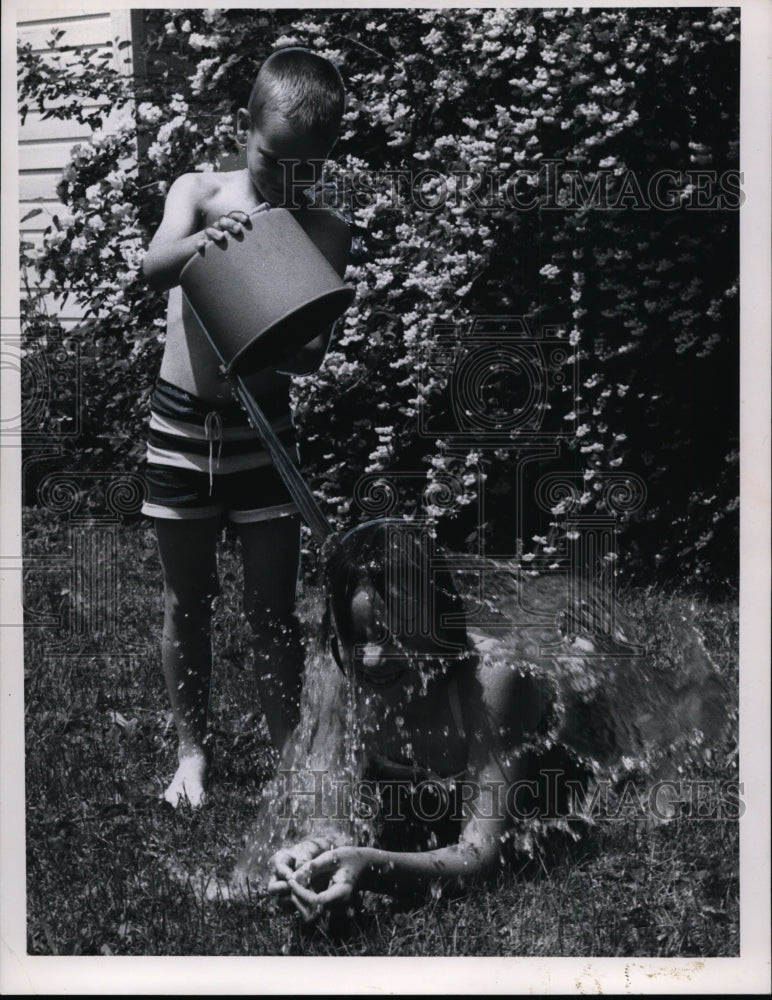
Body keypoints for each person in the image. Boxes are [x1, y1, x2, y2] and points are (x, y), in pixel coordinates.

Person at [245, 520, 728, 922]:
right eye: (357, 636)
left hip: (582, 733)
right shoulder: (340, 676)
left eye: (392, 636)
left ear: (438, 623)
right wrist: (311, 851)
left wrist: (370, 866)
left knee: (654, 738)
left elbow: (481, 855)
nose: (371, 659)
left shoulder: (494, 686)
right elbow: (333, 814)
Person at [140, 47, 351, 809]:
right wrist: (210, 242)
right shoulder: (198, 192)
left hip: (265, 442)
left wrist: (303, 320)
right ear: (243, 130)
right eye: (271, 159)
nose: (285, 180)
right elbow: (153, 264)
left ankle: (288, 759)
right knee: (184, 600)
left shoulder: (324, 227)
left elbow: (309, 359)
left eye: (306, 167)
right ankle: (191, 754)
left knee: (271, 614)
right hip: (182, 431)